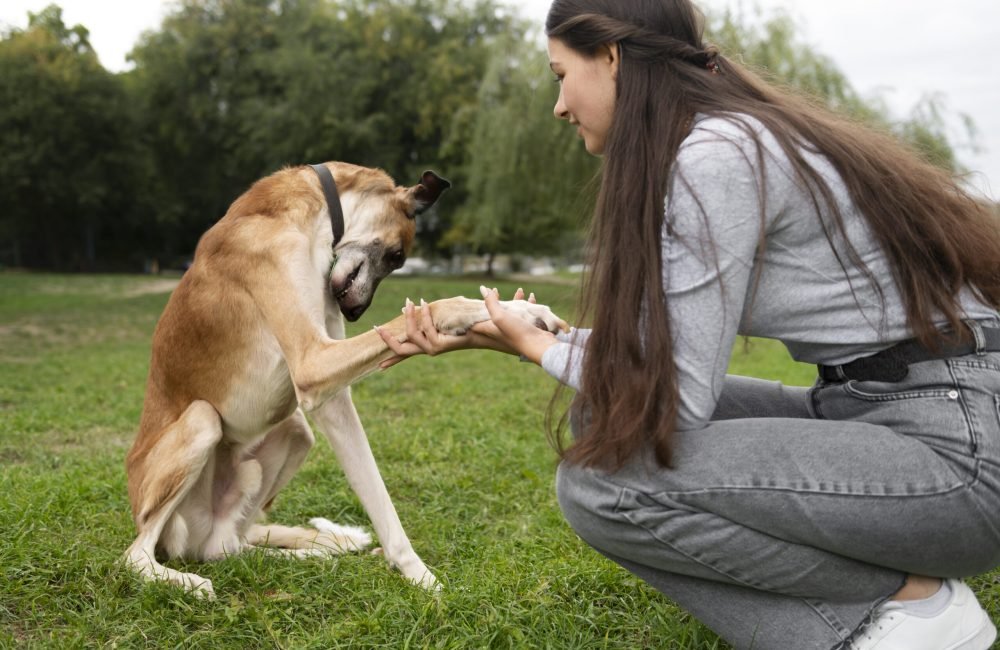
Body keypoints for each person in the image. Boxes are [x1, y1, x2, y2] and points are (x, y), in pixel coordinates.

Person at [375, 0, 1000, 647]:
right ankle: (899, 603)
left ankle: (903, 611)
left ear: (611, 57)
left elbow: (674, 392)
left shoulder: (719, 156)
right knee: (599, 423)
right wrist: (514, 337)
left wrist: (534, 345)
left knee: (601, 485)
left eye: (560, 74)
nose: (558, 105)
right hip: (882, 407)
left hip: (956, 453)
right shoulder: (728, 140)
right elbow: (653, 356)